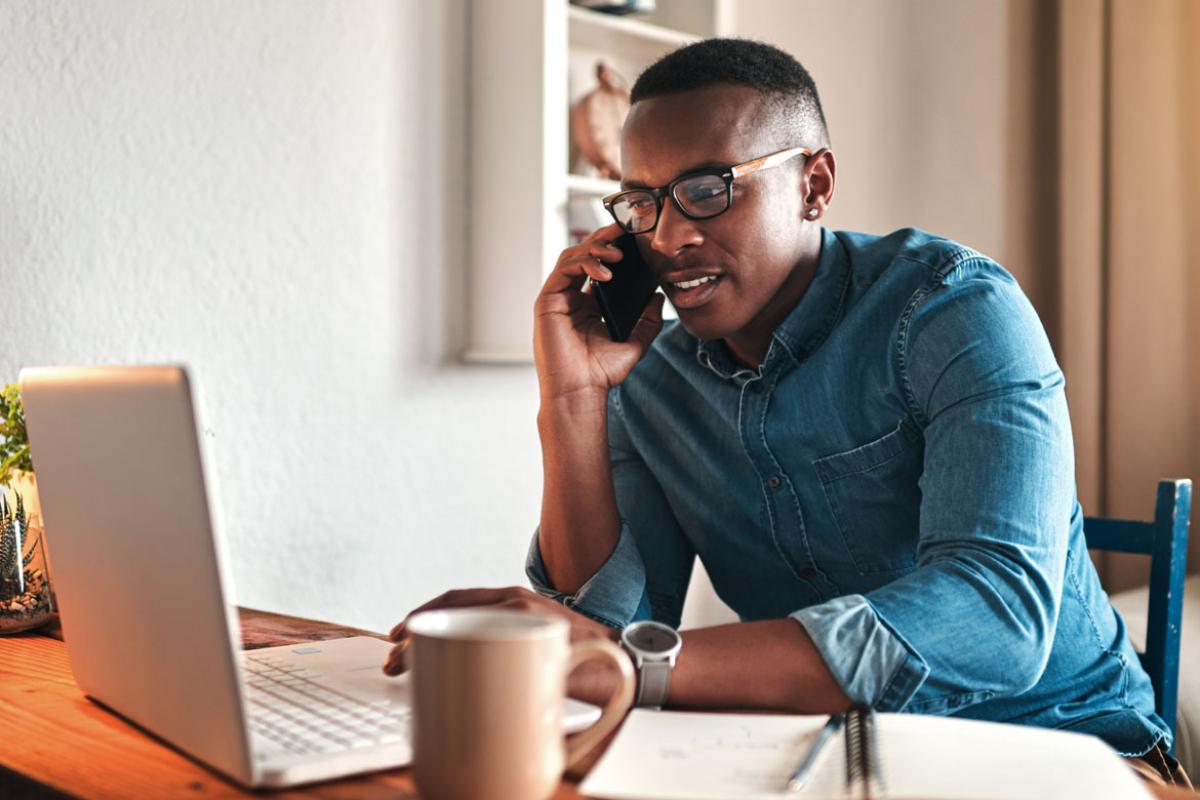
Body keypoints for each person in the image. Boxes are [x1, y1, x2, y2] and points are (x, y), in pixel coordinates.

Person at [384, 38, 1189, 787]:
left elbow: (995, 615)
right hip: (820, 754)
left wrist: (642, 666)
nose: (667, 237)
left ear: (815, 185)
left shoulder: (954, 309)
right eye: (641, 202)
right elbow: (607, 633)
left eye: (707, 190)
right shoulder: (651, 374)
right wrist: (572, 402)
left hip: (1064, 750)